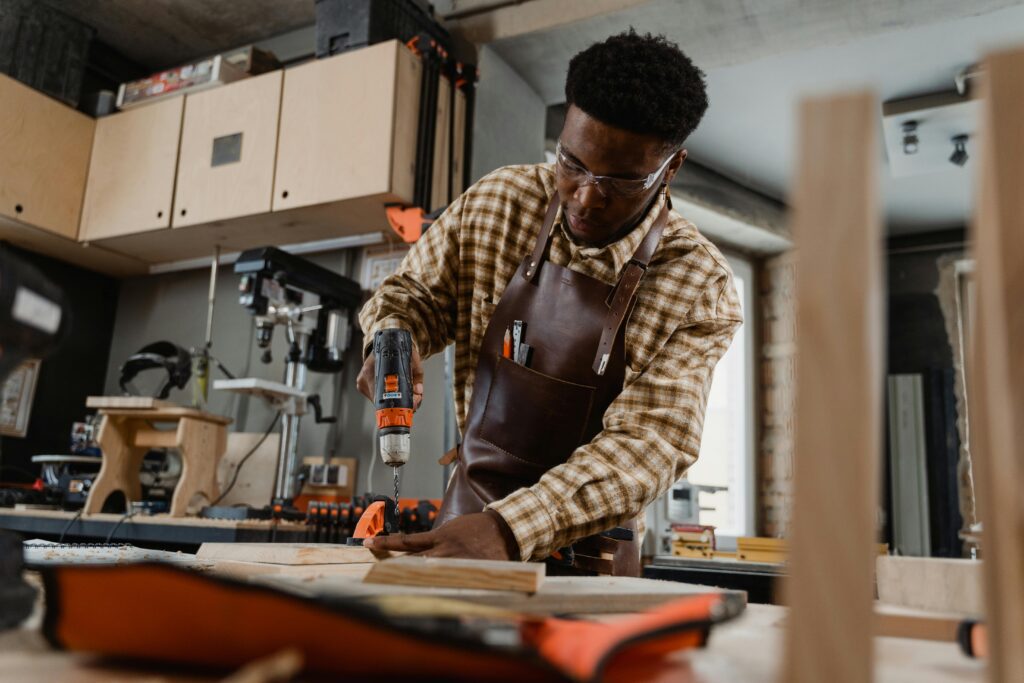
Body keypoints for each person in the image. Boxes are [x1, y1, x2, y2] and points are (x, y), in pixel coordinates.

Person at [356, 30, 742, 575]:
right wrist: (394, 334)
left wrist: (509, 530)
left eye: (621, 182)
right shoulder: (501, 201)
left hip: (593, 550)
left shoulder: (699, 283)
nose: (585, 197)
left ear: (671, 167)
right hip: (467, 518)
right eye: (572, 163)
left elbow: (651, 441)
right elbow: (413, 295)